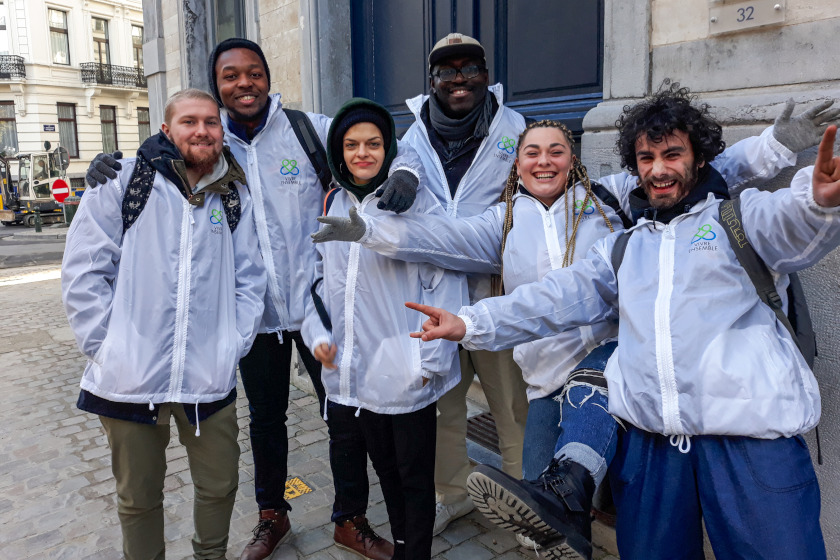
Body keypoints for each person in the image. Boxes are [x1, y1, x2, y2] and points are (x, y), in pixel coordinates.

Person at [313, 93, 835, 557]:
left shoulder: (638, 209)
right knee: (543, 501)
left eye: (556, 150)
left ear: (574, 159)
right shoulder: (542, 230)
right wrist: (376, 233)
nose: (658, 169)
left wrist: (804, 181)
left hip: (693, 412)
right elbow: (516, 281)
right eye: (531, 152)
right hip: (587, 403)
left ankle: (575, 491)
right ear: (515, 165)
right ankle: (565, 515)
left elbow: (782, 211)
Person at [85, 38, 423, 560]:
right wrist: (109, 167)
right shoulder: (210, 144)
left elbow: (375, 146)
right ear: (217, 87)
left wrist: (407, 172)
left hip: (317, 305)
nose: (244, 83)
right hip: (253, 316)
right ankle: (273, 515)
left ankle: (350, 518)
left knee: (343, 414)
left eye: (254, 72)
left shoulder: (310, 129)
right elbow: (162, 165)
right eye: (230, 76)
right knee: (266, 420)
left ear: (268, 76)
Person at [62, 88, 267, 560]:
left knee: (220, 483)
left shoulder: (232, 193)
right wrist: (109, 347)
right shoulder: (123, 182)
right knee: (138, 497)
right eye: (189, 122)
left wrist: (229, 345)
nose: (201, 131)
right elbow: (84, 271)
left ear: (221, 130)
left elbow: (250, 278)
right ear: (166, 130)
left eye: (211, 123)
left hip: (207, 378)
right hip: (129, 379)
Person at [302, 98, 467, 560]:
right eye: (352, 144)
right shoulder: (334, 200)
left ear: (389, 148)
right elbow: (318, 280)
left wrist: (429, 360)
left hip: (407, 368)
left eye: (373, 143)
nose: (362, 153)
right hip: (358, 373)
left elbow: (446, 278)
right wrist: (320, 338)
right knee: (387, 473)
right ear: (339, 150)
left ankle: (415, 552)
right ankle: (401, 547)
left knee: (415, 477)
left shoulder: (414, 204)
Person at [400, 32, 531, 535]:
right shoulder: (413, 134)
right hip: (438, 296)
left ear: (485, 73)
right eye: (446, 71)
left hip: (497, 293)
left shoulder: (514, 128)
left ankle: (527, 506)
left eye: (469, 68)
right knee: (443, 410)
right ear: (432, 81)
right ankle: (452, 495)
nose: (459, 79)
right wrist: (405, 175)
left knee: (510, 406)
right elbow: (406, 166)